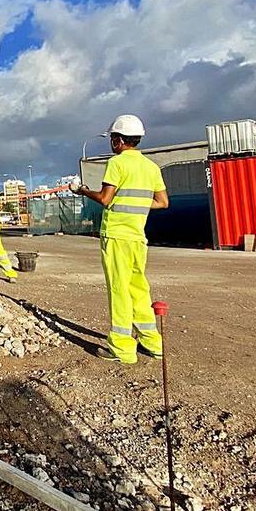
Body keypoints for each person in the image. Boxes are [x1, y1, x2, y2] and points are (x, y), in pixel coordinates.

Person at [72, 115, 169, 364]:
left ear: (117, 140)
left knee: (119, 291)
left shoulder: (117, 163)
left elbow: (105, 199)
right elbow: (162, 202)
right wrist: (134, 202)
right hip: (138, 238)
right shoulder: (151, 167)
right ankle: (152, 342)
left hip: (116, 236)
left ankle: (123, 349)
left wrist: (82, 190)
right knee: (138, 289)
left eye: (112, 138)